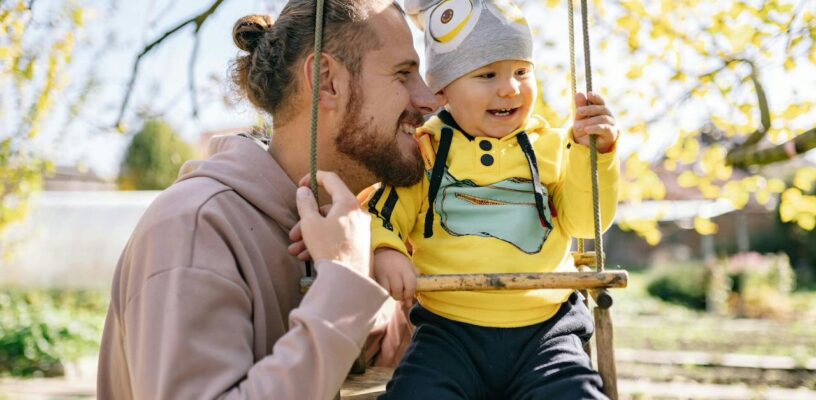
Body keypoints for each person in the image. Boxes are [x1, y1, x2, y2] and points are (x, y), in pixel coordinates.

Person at [96, 0, 441, 398]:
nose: (430, 100)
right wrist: (344, 281)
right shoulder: (193, 226)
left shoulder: (347, 229)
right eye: (403, 74)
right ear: (327, 80)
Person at [365, 0, 621, 398]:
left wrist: (596, 155)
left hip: (547, 330)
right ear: (443, 89)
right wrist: (387, 250)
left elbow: (586, 223)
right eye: (487, 74)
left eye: (522, 71)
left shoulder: (553, 147)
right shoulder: (425, 152)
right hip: (449, 332)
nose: (509, 88)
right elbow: (382, 215)